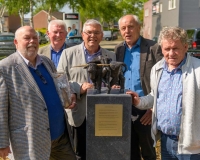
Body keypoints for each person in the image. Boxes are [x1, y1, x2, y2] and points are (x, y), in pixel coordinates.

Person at [0, 26, 76, 160]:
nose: (32, 41)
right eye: (27, 38)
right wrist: (2, 142)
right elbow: (1, 108)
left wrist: (67, 97)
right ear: (16, 42)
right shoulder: (5, 68)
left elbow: (58, 87)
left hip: (60, 137)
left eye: (35, 37)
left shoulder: (46, 62)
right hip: (31, 141)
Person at [127, 26, 200, 160]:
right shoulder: (158, 68)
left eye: (175, 48)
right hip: (166, 142)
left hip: (192, 146)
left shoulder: (197, 69)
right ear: (161, 49)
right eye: (167, 49)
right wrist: (138, 101)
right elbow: (155, 96)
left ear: (185, 47)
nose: (171, 53)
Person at [57, 19, 116, 160]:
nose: (92, 36)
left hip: (103, 113)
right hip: (79, 113)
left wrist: (113, 87)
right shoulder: (67, 54)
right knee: (80, 154)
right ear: (82, 35)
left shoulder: (110, 56)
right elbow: (59, 81)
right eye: (89, 32)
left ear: (101, 35)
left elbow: (114, 80)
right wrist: (79, 88)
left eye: (96, 32)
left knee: (101, 151)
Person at [114, 14, 163, 160]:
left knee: (148, 151)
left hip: (145, 109)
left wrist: (153, 108)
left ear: (139, 27)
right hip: (124, 108)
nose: (127, 31)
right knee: (129, 150)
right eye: (123, 28)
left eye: (130, 27)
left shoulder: (154, 48)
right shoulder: (118, 49)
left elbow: (163, 80)